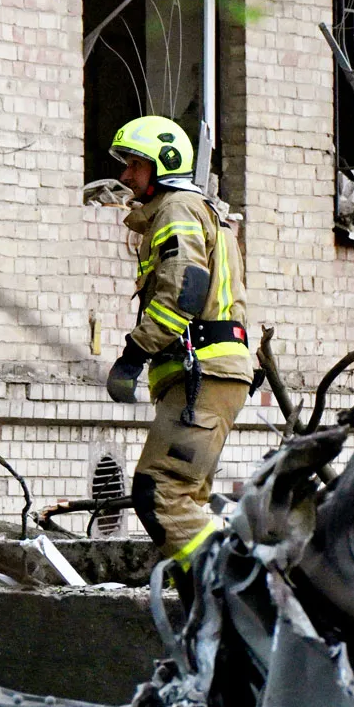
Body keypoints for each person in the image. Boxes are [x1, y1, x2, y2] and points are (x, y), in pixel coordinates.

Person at [104, 115, 254, 573]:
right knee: (186, 499)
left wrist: (134, 355)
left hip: (203, 377)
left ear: (163, 164)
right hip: (208, 376)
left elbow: (183, 288)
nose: (125, 175)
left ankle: (231, 586)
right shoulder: (196, 210)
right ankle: (206, 602)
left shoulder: (177, 210)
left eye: (134, 163)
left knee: (161, 493)